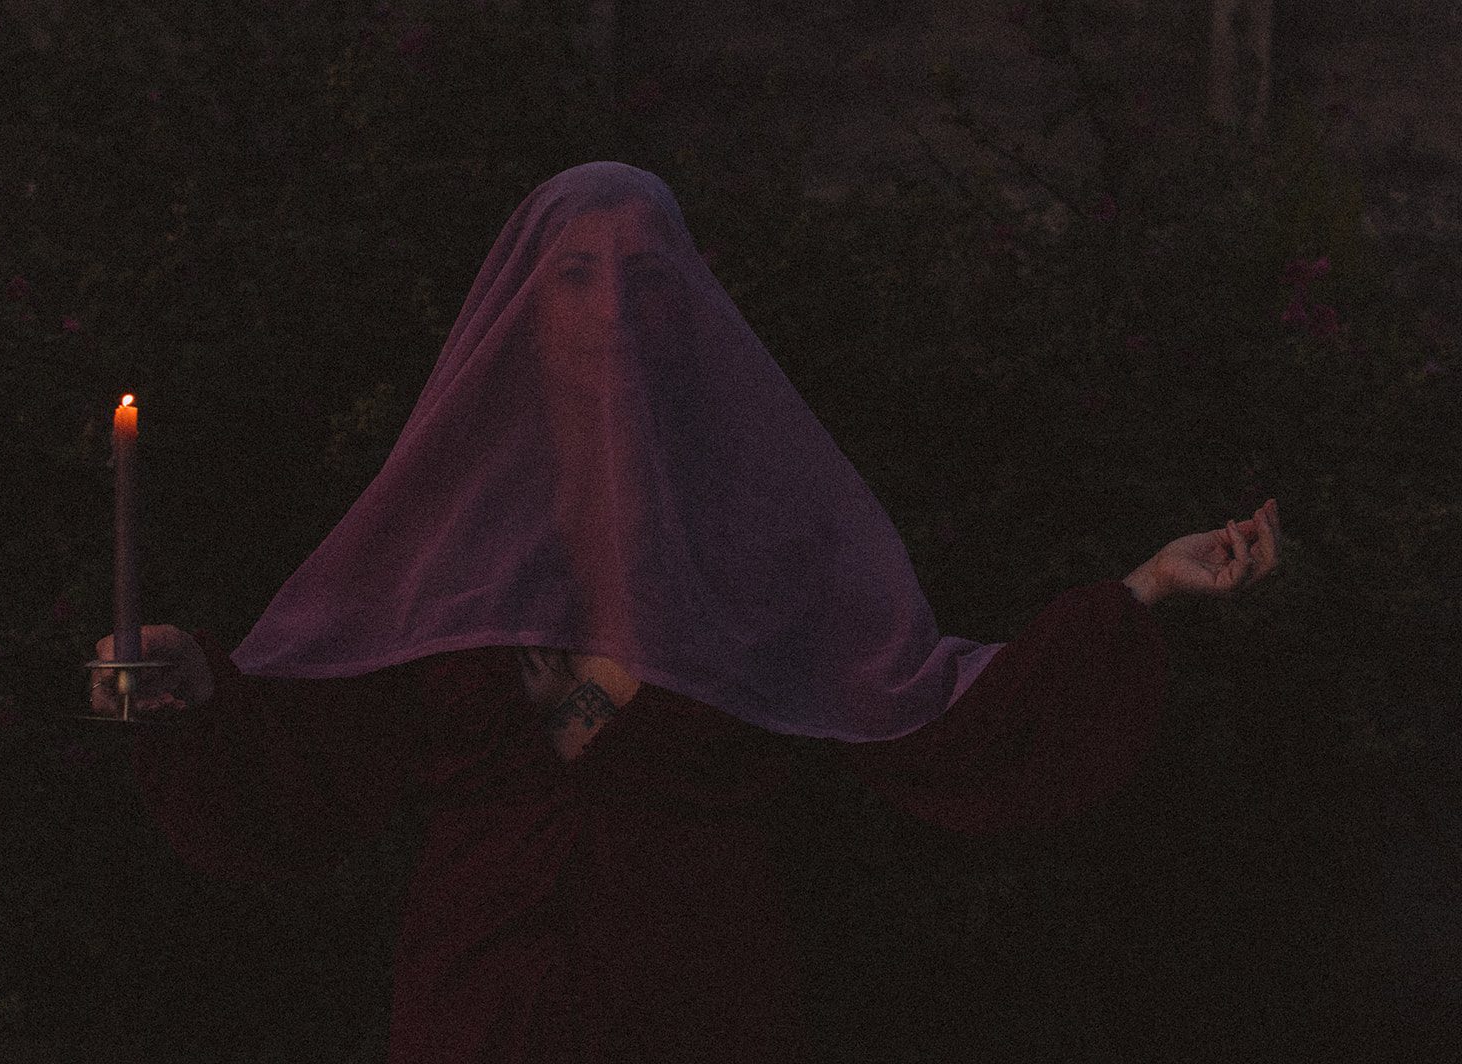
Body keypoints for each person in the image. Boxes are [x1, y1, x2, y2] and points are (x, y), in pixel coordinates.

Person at [89, 162, 1283, 1063]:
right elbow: (312, 753)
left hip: (700, 1002)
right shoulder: (447, 540)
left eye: (643, 276)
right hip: (475, 1006)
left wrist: (1142, 592)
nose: (610, 305)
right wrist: (190, 685)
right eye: (574, 274)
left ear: (684, 310)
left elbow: (922, 707)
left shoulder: (759, 539)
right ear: (527, 312)